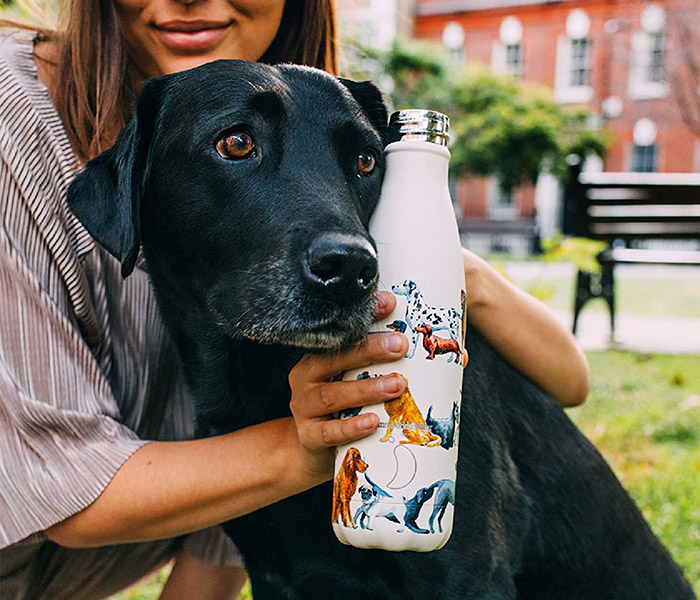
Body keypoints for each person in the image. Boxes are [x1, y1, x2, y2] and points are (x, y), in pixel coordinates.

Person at [0, 1, 589, 598]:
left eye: (361, 162)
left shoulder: (318, 115)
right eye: (236, 145)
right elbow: (68, 491)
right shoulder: (28, 123)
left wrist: (456, 270)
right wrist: (300, 450)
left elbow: (571, 382)